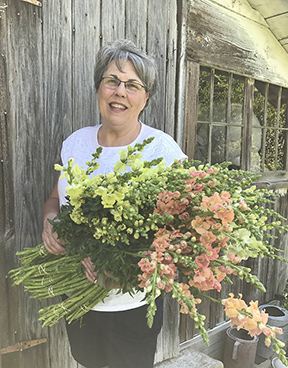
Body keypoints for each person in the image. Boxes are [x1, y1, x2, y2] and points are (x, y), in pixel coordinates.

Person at [42, 39, 187, 368]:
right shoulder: (75, 144)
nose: (120, 91)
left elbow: (182, 233)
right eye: (112, 81)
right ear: (99, 90)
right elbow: (55, 199)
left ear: (145, 98)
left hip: (132, 307)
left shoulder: (162, 152)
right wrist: (50, 219)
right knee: (87, 361)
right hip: (78, 297)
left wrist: (135, 268)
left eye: (132, 85)